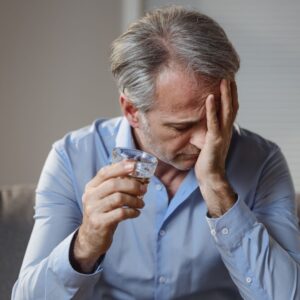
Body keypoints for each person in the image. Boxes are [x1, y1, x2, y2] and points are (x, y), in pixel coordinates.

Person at [12, 6, 300, 300]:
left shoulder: (263, 162)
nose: (205, 141)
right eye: (181, 127)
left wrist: (217, 189)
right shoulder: (72, 159)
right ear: (131, 110)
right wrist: (85, 244)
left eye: (216, 119)